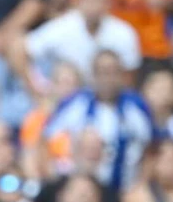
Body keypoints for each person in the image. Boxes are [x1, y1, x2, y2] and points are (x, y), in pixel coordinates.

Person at [41, 50, 156, 192]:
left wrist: (141, 187)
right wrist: (52, 176)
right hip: (80, 191)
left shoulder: (137, 107)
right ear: (93, 75)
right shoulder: (75, 103)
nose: (108, 78)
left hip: (124, 191)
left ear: (122, 75)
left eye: (113, 72)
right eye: (102, 72)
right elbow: (44, 141)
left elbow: (151, 151)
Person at [14, 0, 140, 88]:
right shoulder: (63, 27)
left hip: (108, 98)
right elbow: (20, 49)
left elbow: (129, 79)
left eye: (99, 0)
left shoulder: (124, 33)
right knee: (65, 74)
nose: (94, 6)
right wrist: (36, 89)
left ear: (108, 4)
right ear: (79, 1)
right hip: (70, 98)